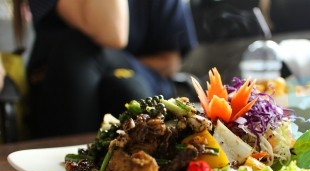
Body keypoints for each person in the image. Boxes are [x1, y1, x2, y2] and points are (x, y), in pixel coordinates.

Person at [13, 0, 197, 138]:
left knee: (125, 87)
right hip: (60, 89)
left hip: (141, 84)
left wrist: (112, 66)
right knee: (77, 52)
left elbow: (169, 62)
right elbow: (112, 31)